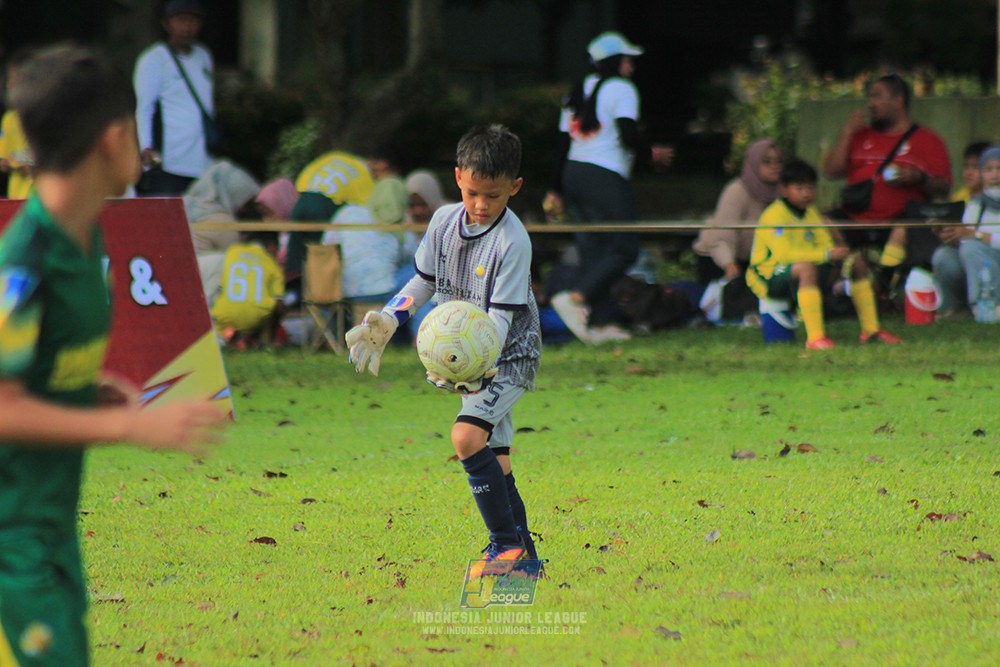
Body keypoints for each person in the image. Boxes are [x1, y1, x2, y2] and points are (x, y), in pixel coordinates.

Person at [0, 43, 227, 667]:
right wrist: (131, 426)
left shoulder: (83, 236)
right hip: (12, 543)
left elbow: (30, 367)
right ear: (115, 137)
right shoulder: (23, 263)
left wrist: (84, 386)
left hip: (49, 527)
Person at [344, 125, 542, 572]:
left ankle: (503, 548)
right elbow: (423, 281)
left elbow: (499, 321)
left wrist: (470, 369)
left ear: (514, 187)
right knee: (497, 461)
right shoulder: (442, 223)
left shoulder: (513, 242)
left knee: (465, 438)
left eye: (493, 196)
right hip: (471, 355)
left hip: (509, 354)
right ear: (457, 178)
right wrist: (390, 319)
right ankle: (526, 560)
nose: (480, 205)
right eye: (472, 193)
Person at [544, 31, 674, 345]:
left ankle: (599, 325)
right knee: (625, 246)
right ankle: (576, 297)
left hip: (573, 174)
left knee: (593, 251)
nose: (632, 66)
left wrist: (555, 189)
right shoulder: (622, 89)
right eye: (628, 60)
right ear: (614, 62)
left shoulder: (576, 90)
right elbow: (627, 134)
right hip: (604, 176)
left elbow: (562, 145)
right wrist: (652, 154)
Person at [747, 159, 902, 350]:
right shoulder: (774, 215)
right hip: (768, 276)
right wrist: (828, 254)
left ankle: (871, 331)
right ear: (784, 190)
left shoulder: (811, 212)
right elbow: (784, 256)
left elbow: (826, 245)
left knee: (857, 264)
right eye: (799, 188)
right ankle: (815, 338)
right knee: (807, 268)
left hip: (804, 268)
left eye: (810, 188)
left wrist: (840, 252)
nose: (806, 193)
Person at [823, 74, 951, 270]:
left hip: (898, 223)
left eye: (877, 96)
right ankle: (850, 269)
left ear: (898, 101)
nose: (870, 103)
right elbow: (830, 171)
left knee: (906, 226)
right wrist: (847, 132)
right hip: (855, 219)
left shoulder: (927, 140)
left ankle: (885, 276)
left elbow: (944, 187)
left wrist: (918, 178)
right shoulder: (860, 135)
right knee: (820, 221)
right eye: (870, 97)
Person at [692, 138, 783, 321]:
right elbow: (722, 236)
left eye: (778, 161)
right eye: (766, 161)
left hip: (756, 263)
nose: (774, 166)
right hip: (722, 261)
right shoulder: (737, 191)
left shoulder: (782, 193)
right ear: (754, 163)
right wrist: (729, 263)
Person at [133, 0, 214, 196]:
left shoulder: (204, 56)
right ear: (167, 24)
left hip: (202, 162)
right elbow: (144, 108)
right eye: (180, 20)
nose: (187, 27)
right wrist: (146, 147)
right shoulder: (153, 59)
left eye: (193, 21)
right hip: (168, 162)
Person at [932, 145, 1000, 319]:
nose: (995, 174)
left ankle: (987, 306)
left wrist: (975, 236)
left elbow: (973, 238)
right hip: (979, 262)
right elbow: (966, 239)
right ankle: (953, 309)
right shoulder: (977, 204)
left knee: (972, 248)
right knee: (944, 255)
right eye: (988, 169)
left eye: (999, 168)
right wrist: (953, 236)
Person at [211, 230, 285, 347]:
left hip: (222, 316)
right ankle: (265, 341)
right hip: (255, 319)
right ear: (272, 246)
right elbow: (279, 305)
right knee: (273, 307)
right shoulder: (272, 264)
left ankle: (230, 338)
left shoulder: (232, 252)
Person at [182, 159, 260, 252]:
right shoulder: (223, 221)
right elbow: (236, 255)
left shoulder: (184, 206)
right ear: (230, 196)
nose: (244, 210)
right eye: (243, 203)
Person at [0, 51, 34, 199]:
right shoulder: (8, 119)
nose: (11, 85)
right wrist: (12, 165)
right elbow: (3, 161)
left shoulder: (47, 117)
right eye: (10, 79)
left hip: (42, 198)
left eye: (18, 79)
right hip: (16, 196)